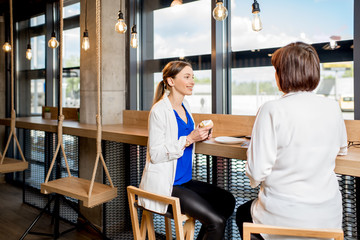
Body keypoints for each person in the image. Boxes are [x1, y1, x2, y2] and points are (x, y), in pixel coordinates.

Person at [236, 42, 348, 239]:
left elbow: (256, 173)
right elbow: (342, 149)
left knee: (242, 213)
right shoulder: (332, 107)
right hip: (327, 220)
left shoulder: (272, 109)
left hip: (283, 218)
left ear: (282, 74)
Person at [139, 61, 235, 240]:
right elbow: (156, 154)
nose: (192, 81)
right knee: (216, 222)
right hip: (167, 185)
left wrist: (201, 135)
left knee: (227, 200)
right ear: (171, 81)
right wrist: (190, 138)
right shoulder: (159, 111)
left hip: (184, 181)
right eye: (187, 77)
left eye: (193, 77)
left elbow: (184, 137)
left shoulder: (186, 106)